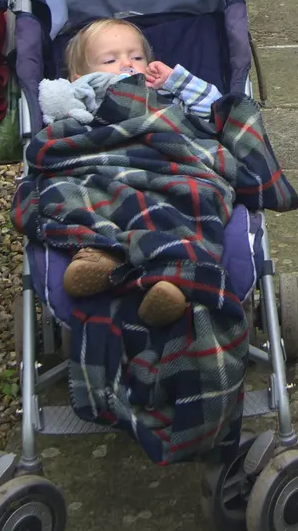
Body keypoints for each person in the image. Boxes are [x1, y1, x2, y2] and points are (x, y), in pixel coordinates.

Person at [39, 17, 223, 326]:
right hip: (105, 169)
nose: (126, 64)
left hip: (168, 166)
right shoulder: (87, 99)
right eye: (110, 60)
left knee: (192, 199)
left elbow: (217, 111)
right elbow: (58, 123)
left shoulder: (165, 94)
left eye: (136, 57)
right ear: (79, 76)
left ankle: (170, 282)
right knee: (67, 193)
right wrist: (74, 94)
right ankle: (100, 253)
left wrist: (176, 81)